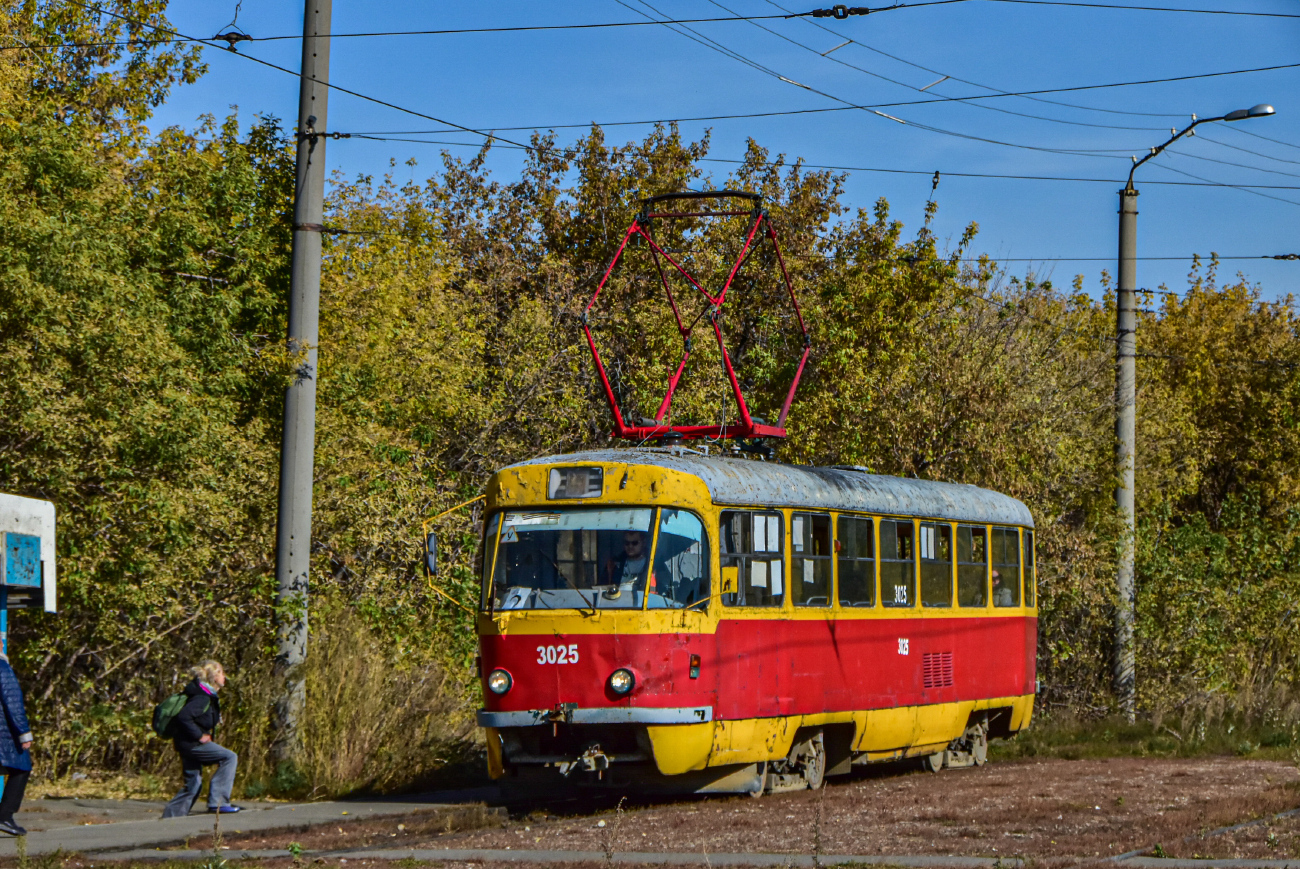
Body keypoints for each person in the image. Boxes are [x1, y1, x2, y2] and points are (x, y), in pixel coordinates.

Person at [161, 661, 241, 818]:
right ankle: (218, 803)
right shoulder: (202, 697)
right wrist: (200, 735)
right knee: (229, 757)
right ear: (215, 676)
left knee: (193, 784)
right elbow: (184, 717)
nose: (225, 677)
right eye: (222, 673)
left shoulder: (204, 694)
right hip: (192, 744)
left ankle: (170, 818)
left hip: (185, 743)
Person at [0, 653, 33, 836]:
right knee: (21, 769)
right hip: (3, 733)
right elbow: (12, 702)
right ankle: (4, 815)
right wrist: (23, 732)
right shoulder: (2, 668)